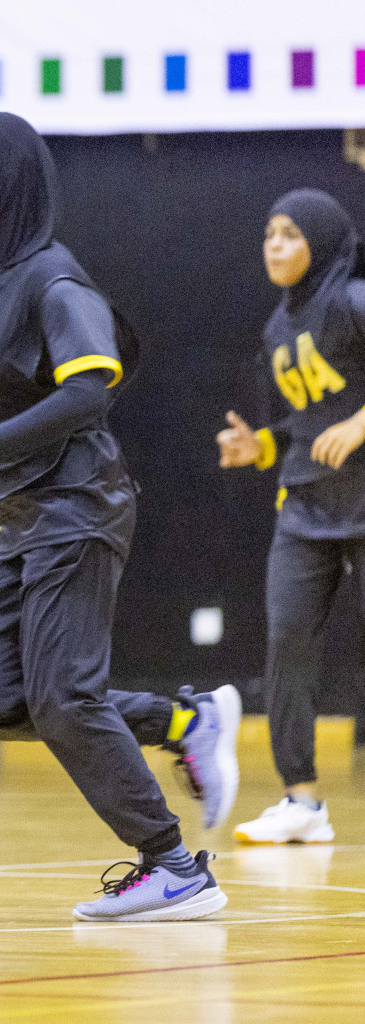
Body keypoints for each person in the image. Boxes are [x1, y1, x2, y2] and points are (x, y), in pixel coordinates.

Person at [0, 111, 240, 923]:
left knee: (65, 699)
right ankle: (182, 719)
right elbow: (4, 398)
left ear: (3, 188)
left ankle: (175, 867)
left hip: (81, 505)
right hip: (21, 511)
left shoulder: (55, 278)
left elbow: (87, 391)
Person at [216, 189, 365, 845]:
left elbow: (348, 416)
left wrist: (361, 423)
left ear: (323, 243)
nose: (274, 245)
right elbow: (305, 424)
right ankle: (300, 802)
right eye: (269, 233)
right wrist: (261, 447)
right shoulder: (279, 329)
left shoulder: (353, 303)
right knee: (287, 645)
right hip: (305, 506)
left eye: (290, 234)